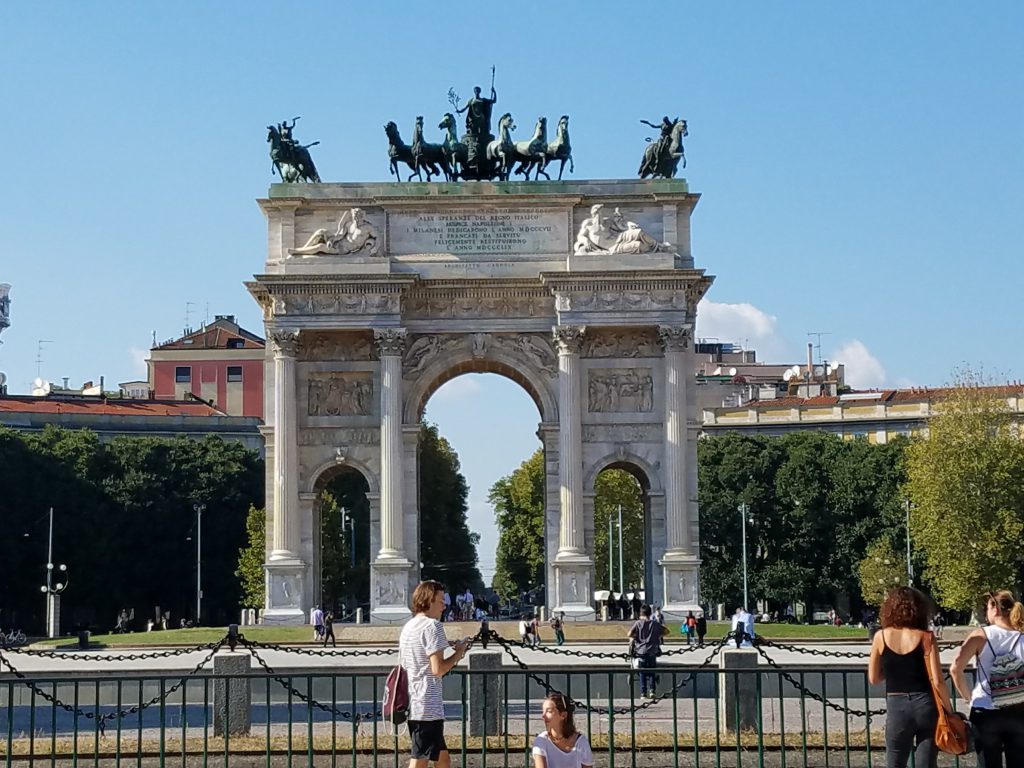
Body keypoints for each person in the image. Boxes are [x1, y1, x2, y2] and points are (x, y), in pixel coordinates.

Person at [867, 587, 953, 768]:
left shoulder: (880, 636)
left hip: (897, 705)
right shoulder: (926, 637)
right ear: (920, 610)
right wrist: (949, 711)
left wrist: (893, 672)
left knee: (895, 761)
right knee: (926, 762)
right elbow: (937, 681)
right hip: (925, 703)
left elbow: (874, 678)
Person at [399, 580, 471, 768]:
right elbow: (438, 669)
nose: (444, 605)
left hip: (413, 699)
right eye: (440, 600)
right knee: (419, 759)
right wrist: (459, 653)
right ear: (429, 600)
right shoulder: (433, 626)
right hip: (427, 704)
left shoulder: (409, 626)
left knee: (442, 759)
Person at [950, 589, 1024, 765]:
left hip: (985, 709)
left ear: (994, 608)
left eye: (987, 608)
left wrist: (968, 698)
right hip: (1018, 709)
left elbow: (955, 669)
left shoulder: (980, 635)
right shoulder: (1021, 636)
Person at [532, 693, 593, 768]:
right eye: (543, 711)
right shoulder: (541, 741)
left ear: (563, 715)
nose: (543, 716)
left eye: (549, 711)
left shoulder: (581, 742)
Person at [629, 605, 669, 699]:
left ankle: (643, 693)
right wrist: (658, 635)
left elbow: (629, 634)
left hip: (641, 651)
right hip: (652, 650)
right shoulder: (655, 624)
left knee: (642, 672)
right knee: (652, 671)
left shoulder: (638, 623)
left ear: (641, 613)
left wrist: (636, 637)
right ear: (650, 613)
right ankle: (652, 691)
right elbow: (667, 631)